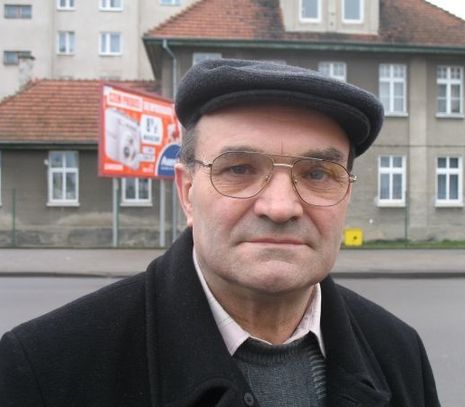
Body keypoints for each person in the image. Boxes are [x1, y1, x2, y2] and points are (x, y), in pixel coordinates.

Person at [0, 59, 440, 407]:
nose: (281, 207)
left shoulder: (398, 352)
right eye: (239, 169)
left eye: (318, 174)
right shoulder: (45, 368)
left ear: (346, 195)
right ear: (188, 193)